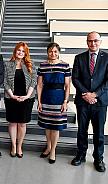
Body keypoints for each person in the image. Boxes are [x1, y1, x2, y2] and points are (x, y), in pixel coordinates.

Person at [71, 31, 108, 172]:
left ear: (100, 41)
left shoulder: (107, 58)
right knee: (82, 130)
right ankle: (80, 155)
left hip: (100, 102)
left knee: (99, 132)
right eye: (90, 41)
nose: (93, 43)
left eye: (95, 41)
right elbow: (75, 78)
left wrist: (95, 94)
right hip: (83, 101)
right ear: (87, 42)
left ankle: (98, 159)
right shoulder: (79, 58)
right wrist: (86, 94)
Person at [37, 42, 71, 164]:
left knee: (55, 126)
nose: (53, 53)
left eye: (55, 51)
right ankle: (48, 146)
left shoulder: (65, 66)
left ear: (58, 52)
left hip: (59, 98)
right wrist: (39, 101)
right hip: (46, 97)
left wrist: (65, 101)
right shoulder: (42, 65)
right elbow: (40, 85)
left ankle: (53, 151)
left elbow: (67, 86)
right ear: (47, 52)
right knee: (47, 124)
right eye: (51, 51)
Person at [4, 42, 37, 158]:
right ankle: (13, 145)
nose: (20, 53)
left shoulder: (30, 65)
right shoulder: (7, 65)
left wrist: (27, 96)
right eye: (19, 50)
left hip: (26, 99)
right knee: (12, 123)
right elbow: (5, 82)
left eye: (23, 51)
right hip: (11, 98)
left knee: (22, 124)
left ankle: (19, 146)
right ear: (15, 51)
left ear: (26, 53)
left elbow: (34, 81)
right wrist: (12, 95)